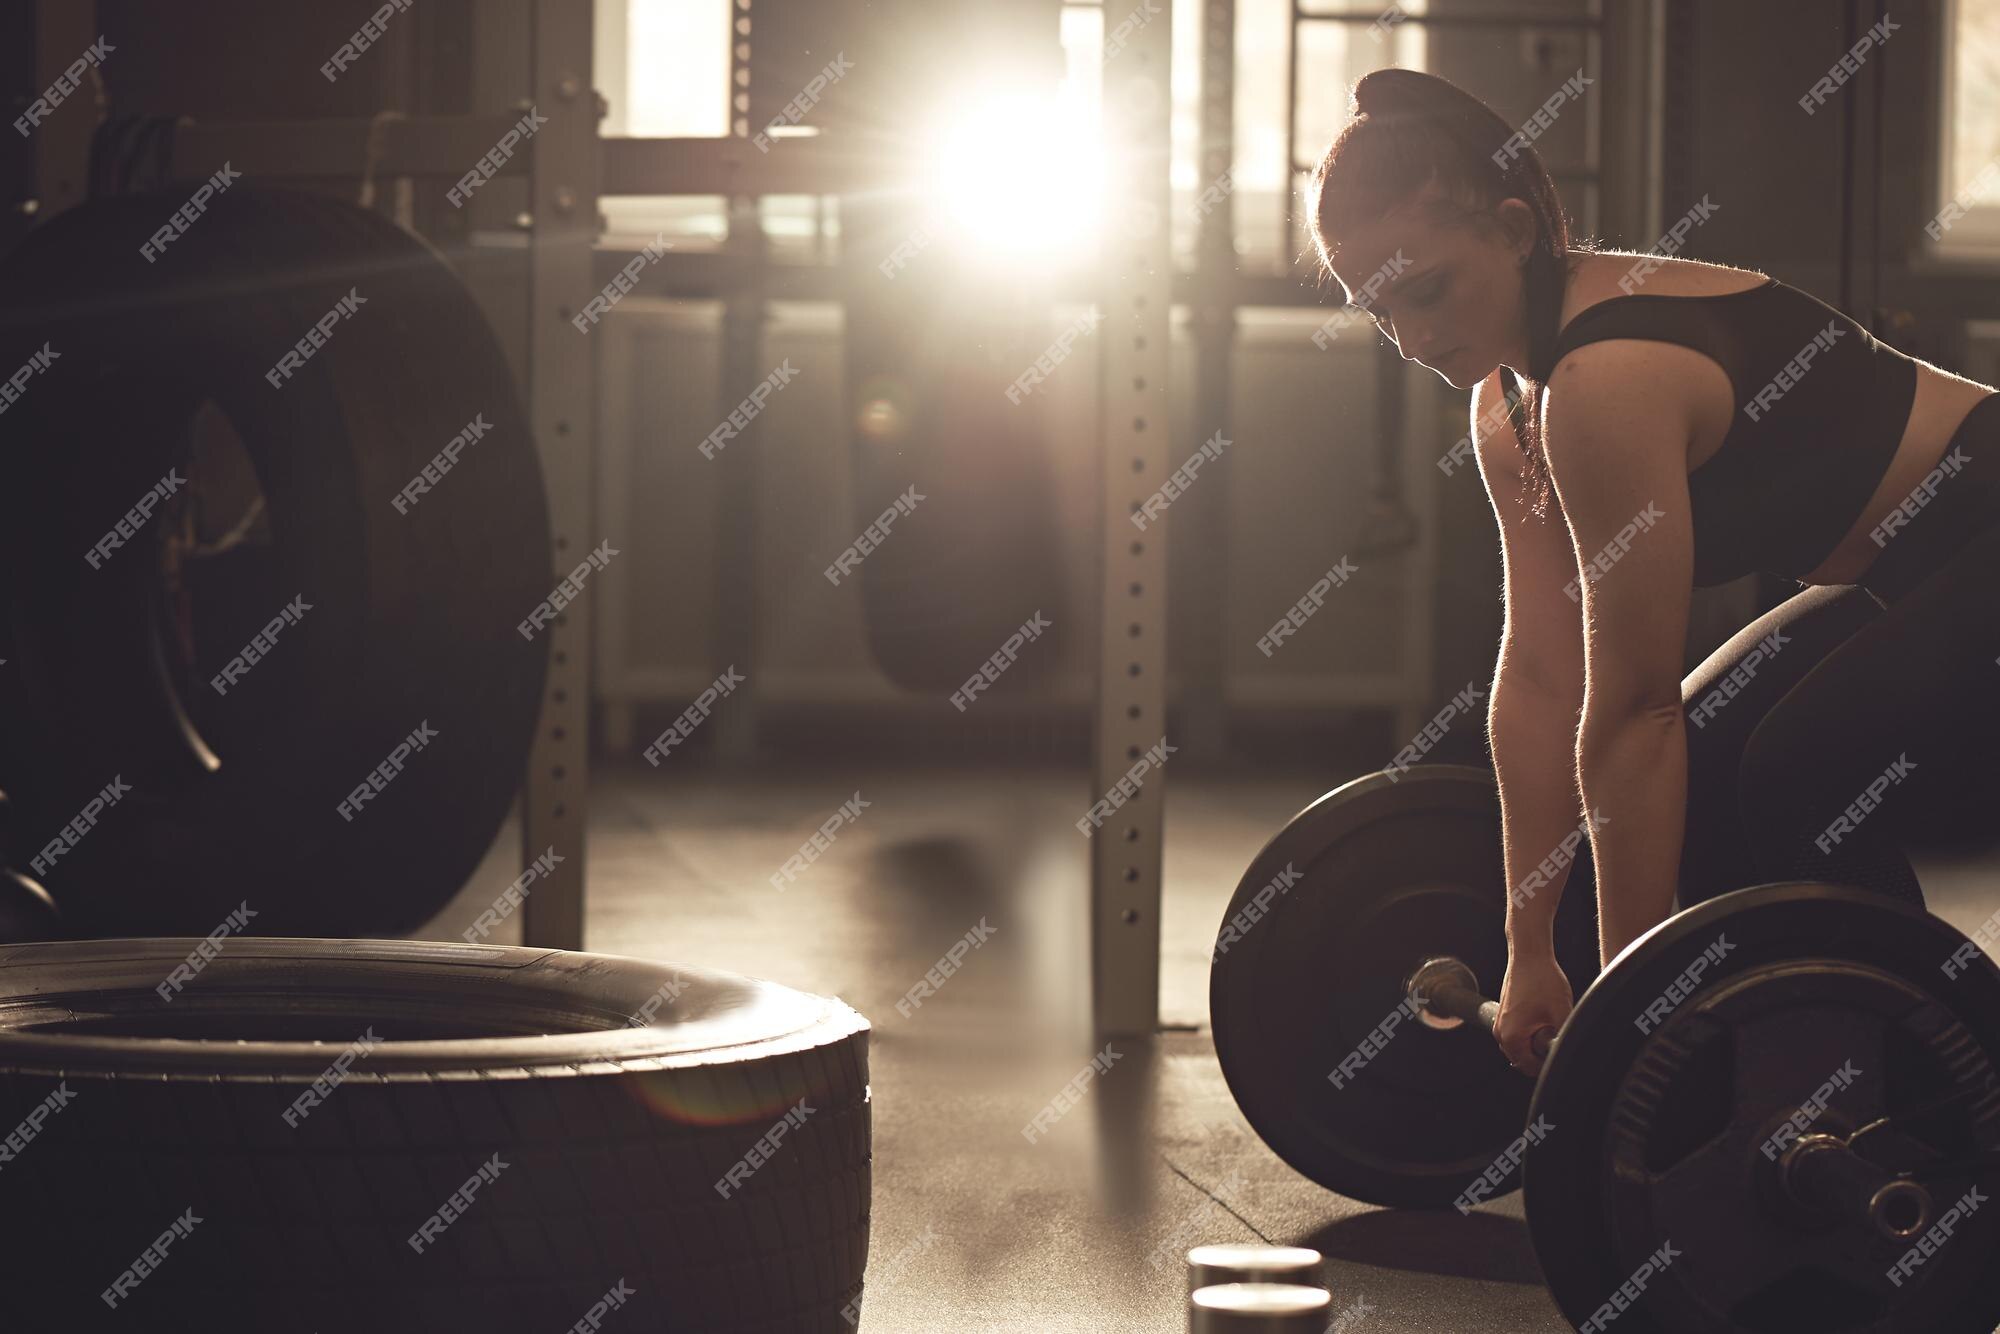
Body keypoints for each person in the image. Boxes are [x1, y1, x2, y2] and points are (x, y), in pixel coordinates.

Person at [1309, 68, 2000, 1075]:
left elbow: (1630, 708)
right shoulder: (1508, 403)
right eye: (1377, 312)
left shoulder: (1605, 375)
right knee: (1713, 766)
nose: (1411, 338)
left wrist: (1614, 1028)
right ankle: (1801, 1068)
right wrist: (1529, 947)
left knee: (1787, 771)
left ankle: (1937, 1093)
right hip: (1911, 564)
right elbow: (1542, 677)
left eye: (1425, 290)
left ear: (1511, 228)